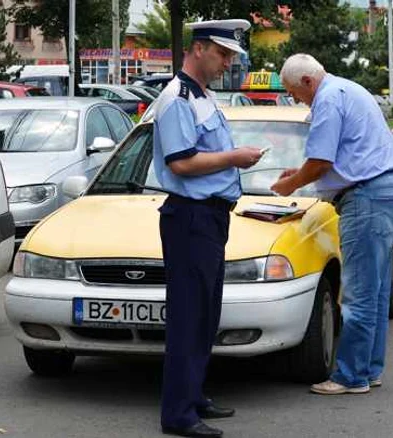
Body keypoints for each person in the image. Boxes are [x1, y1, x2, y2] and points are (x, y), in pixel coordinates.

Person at [270, 54, 393, 395]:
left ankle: (350, 377)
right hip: (390, 191)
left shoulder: (328, 99)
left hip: (367, 199)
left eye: (293, 93)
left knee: (359, 294)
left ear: (307, 82)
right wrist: (301, 173)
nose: (295, 99)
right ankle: (368, 369)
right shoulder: (346, 88)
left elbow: (320, 162)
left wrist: (291, 184)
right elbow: (330, 158)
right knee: (375, 292)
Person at [152, 19, 263, 438]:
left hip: (210, 217)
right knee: (188, 317)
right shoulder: (178, 98)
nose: (226, 63)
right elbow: (181, 162)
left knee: (205, 315)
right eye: (222, 54)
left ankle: (194, 395)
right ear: (198, 49)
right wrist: (234, 157)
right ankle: (178, 414)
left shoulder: (203, 97)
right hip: (190, 217)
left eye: (230, 56)